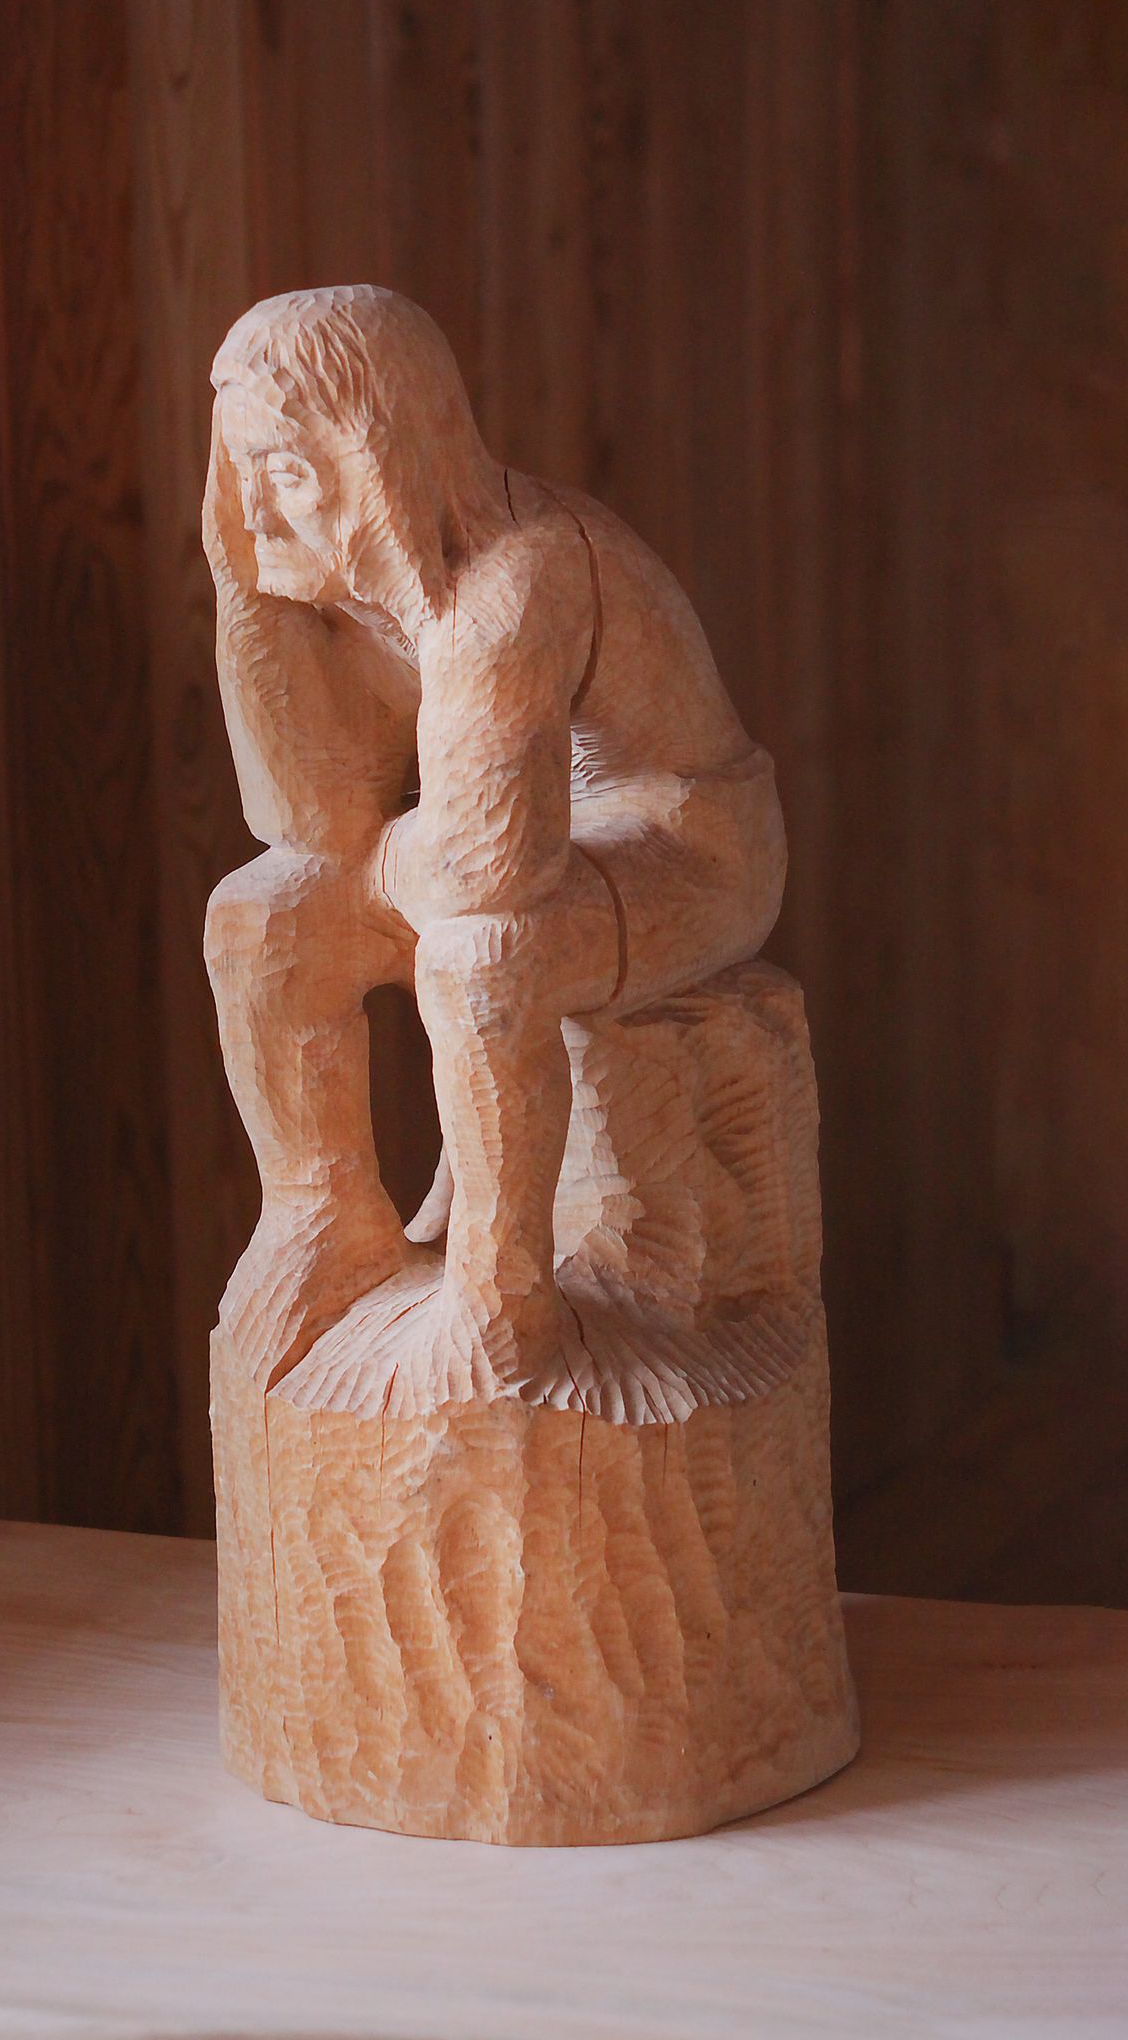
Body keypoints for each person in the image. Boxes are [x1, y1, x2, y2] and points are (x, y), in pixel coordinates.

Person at [203, 286, 786, 1398]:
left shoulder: (514, 580)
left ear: (379, 459)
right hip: (509, 841)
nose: (259, 513)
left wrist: (376, 868)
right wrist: (246, 599)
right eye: (240, 476)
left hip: (685, 842)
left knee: (481, 964)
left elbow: (489, 866)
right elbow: (307, 822)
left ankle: (501, 1292)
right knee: (260, 918)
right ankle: (321, 1211)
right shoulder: (348, 591)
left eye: (286, 473)